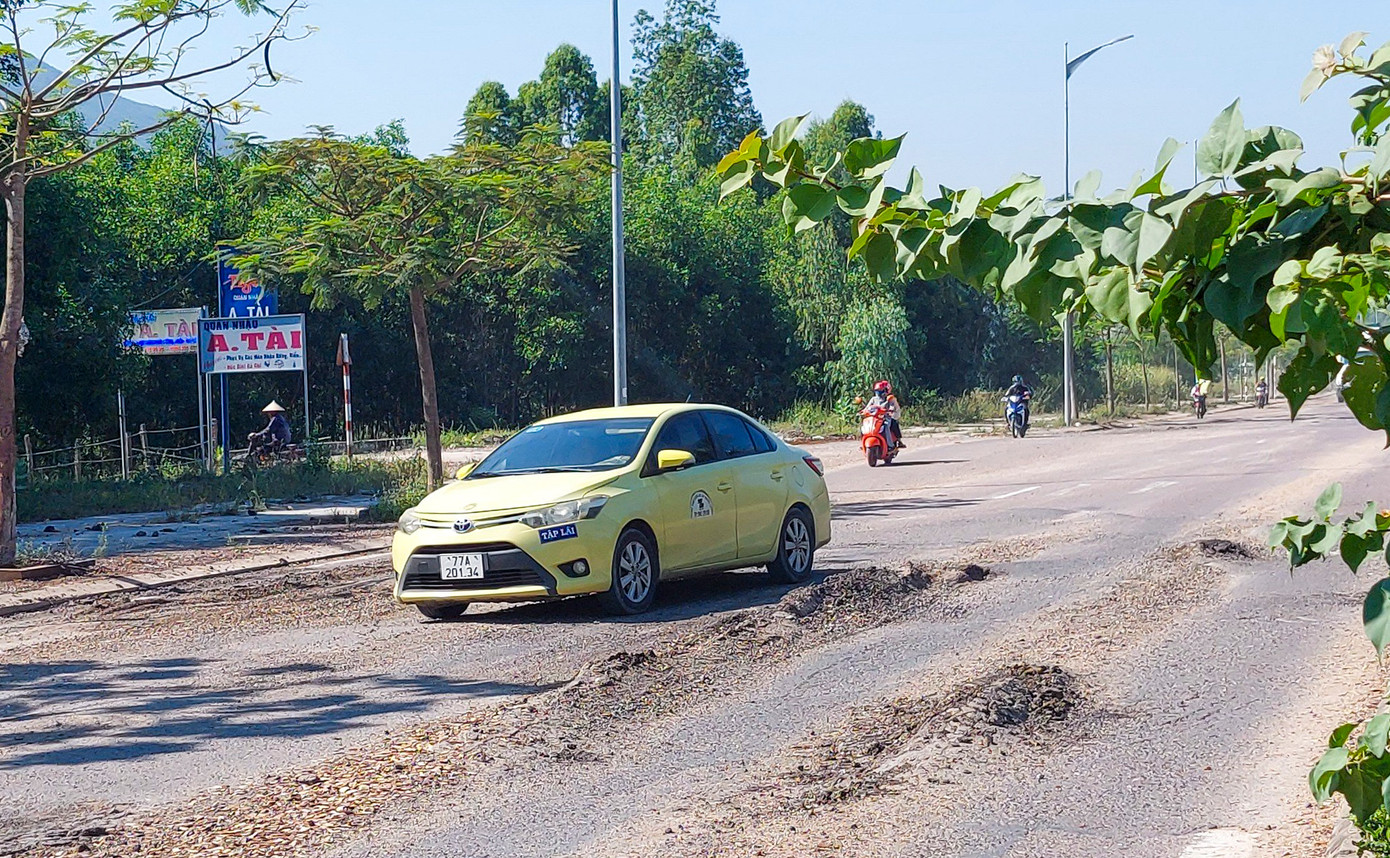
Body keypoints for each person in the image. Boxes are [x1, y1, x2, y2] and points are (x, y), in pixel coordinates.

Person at [867, 380, 904, 449]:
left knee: (888, 425)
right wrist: (864, 411)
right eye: (877, 390)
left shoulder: (890, 398)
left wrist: (890, 411)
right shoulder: (873, 399)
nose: (878, 392)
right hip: (875, 418)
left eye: (880, 390)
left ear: (886, 390)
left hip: (887, 417)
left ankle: (893, 443)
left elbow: (892, 408)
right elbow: (867, 407)